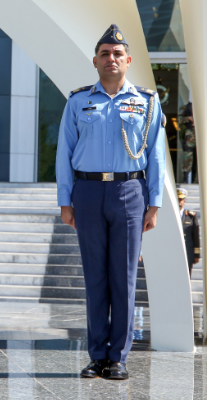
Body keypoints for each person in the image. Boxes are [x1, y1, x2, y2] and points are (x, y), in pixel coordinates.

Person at [55, 24, 165, 380]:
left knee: (124, 277)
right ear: (95, 61)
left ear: (128, 60)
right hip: (87, 193)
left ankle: (117, 356)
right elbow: (64, 153)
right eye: (105, 53)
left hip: (129, 193)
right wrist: (65, 201)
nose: (111, 58)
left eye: (117, 54)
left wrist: (155, 203)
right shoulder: (78, 101)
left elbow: (156, 155)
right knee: (95, 278)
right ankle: (96, 355)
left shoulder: (147, 102)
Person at [177, 188, 200, 274]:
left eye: (181, 199)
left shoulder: (190, 217)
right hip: (174, 252)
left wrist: (196, 254)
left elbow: (196, 237)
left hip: (187, 252)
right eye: (177, 199)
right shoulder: (170, 217)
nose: (179, 202)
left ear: (184, 201)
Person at [180, 102, 196, 184]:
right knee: (188, 157)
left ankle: (195, 179)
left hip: (201, 136)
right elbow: (180, 119)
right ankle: (186, 177)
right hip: (190, 136)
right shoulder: (187, 107)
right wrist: (189, 118)